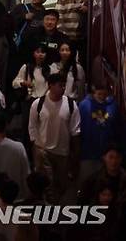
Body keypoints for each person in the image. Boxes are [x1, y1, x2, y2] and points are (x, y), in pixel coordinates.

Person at [28, 72, 81, 201]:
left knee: (61, 185)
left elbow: (75, 130)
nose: (63, 88)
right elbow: (32, 126)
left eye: (64, 85)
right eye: (60, 85)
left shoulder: (70, 104)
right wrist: (36, 145)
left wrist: (75, 155)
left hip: (63, 153)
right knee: (47, 185)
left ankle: (57, 209)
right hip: (43, 151)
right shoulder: (38, 104)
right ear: (50, 85)